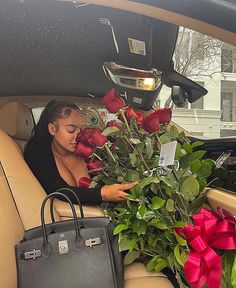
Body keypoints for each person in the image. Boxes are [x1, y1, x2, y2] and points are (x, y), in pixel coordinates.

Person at [24, 99, 136, 204]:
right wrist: (102, 194)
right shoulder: (37, 152)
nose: (78, 135)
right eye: (71, 130)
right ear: (52, 129)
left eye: (81, 129)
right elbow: (58, 190)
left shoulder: (88, 150)